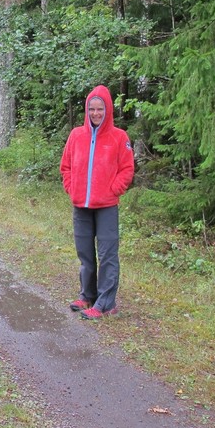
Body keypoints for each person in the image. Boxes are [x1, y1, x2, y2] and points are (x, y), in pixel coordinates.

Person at [60, 85, 135, 320]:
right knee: (85, 254)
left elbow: (127, 169)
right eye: (91, 109)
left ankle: (106, 303)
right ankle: (87, 295)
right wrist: (72, 189)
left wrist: (114, 190)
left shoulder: (119, 137)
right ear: (87, 110)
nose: (95, 113)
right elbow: (66, 166)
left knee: (107, 254)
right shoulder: (76, 135)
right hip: (81, 205)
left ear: (108, 109)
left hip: (106, 207)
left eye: (100, 109)